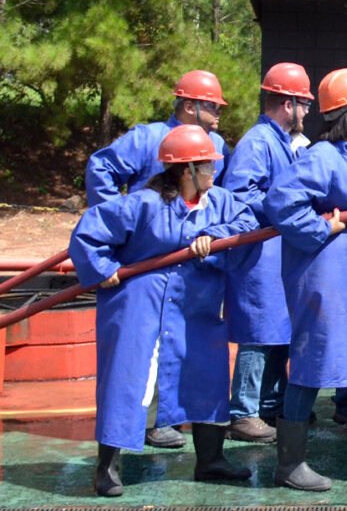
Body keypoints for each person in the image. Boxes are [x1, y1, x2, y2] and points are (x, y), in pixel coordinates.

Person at [69, 125, 258, 497]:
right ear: (186, 170)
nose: (213, 173)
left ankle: (211, 460)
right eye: (207, 166)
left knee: (207, 373)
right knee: (130, 380)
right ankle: (107, 467)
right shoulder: (143, 203)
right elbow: (89, 232)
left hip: (197, 304)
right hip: (142, 302)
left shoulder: (219, 201)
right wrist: (103, 270)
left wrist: (215, 236)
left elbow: (248, 224)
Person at [84, 69, 232, 449]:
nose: (219, 114)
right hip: (145, 269)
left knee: (195, 361)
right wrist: (123, 234)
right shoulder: (146, 142)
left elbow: (227, 205)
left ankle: (201, 450)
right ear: (189, 105)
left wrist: (212, 234)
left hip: (190, 276)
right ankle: (116, 453)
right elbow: (101, 175)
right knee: (134, 367)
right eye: (212, 106)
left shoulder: (214, 147)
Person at [264, 68, 347, 491]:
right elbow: (280, 202)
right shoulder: (322, 157)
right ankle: (290, 465)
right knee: (312, 359)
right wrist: (323, 229)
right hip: (327, 278)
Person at [221, 63, 315, 443]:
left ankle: (272, 405)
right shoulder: (258, 143)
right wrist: (285, 207)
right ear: (288, 103)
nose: (308, 112)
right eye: (304, 105)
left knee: (278, 328)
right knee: (259, 332)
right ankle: (243, 412)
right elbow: (240, 195)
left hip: (276, 252)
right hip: (258, 252)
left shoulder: (279, 143)